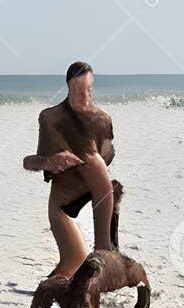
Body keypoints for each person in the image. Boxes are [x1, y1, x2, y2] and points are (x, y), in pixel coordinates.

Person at [23, 60, 116, 280]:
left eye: (88, 91)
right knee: (74, 260)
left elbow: (108, 157)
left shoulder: (102, 119)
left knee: (93, 161)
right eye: (77, 91)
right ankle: (46, 299)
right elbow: (29, 162)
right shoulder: (50, 117)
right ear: (68, 88)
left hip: (96, 189)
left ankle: (103, 246)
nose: (84, 98)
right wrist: (49, 162)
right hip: (62, 200)